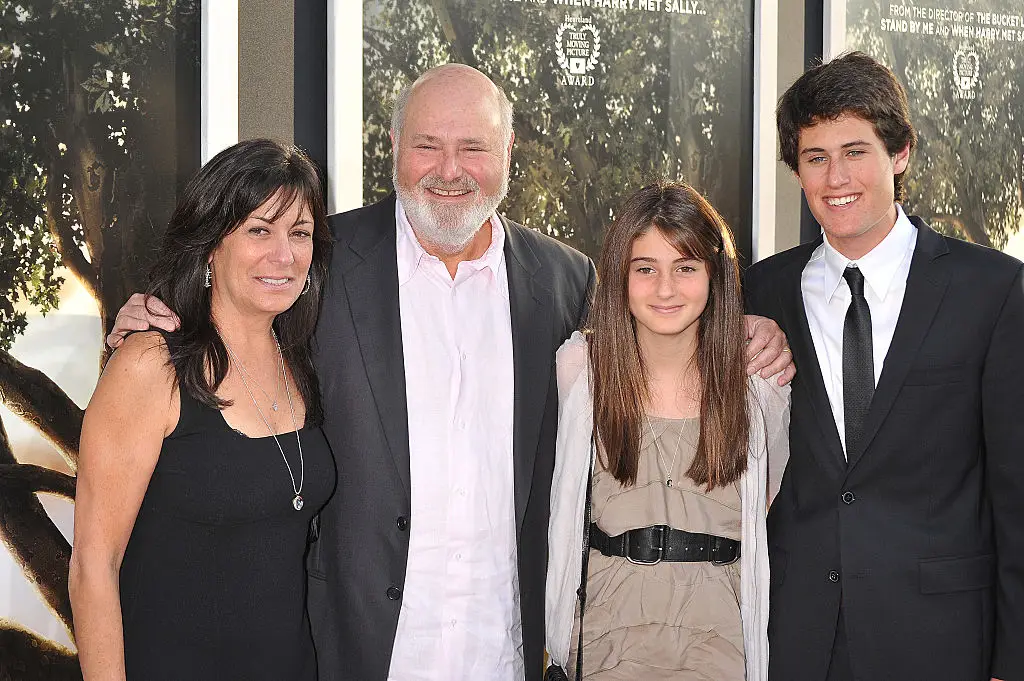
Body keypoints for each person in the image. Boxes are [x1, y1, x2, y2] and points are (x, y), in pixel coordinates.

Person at [106, 64, 794, 681]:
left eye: (473, 148)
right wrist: (154, 311)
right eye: (427, 145)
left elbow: (655, 332)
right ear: (395, 150)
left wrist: (744, 330)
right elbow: (232, 301)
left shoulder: (563, 280)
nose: (449, 169)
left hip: (504, 650)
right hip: (358, 649)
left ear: (508, 155)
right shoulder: (322, 261)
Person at [744, 51, 1024, 681]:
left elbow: (1017, 491)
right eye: (815, 158)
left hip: (943, 641)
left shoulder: (992, 290)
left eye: (856, 151)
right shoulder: (762, 295)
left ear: (899, 154)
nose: (836, 177)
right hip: (797, 637)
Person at [69, 139, 335, 681]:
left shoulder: (304, 360)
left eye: (299, 233)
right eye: (260, 230)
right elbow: (92, 567)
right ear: (211, 243)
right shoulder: (151, 363)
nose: (284, 255)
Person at [546, 181, 789, 681]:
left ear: (714, 274)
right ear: (621, 275)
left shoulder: (760, 388)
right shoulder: (579, 370)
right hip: (606, 637)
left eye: (686, 267)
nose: (665, 289)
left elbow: (768, 507)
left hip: (718, 641)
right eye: (645, 269)